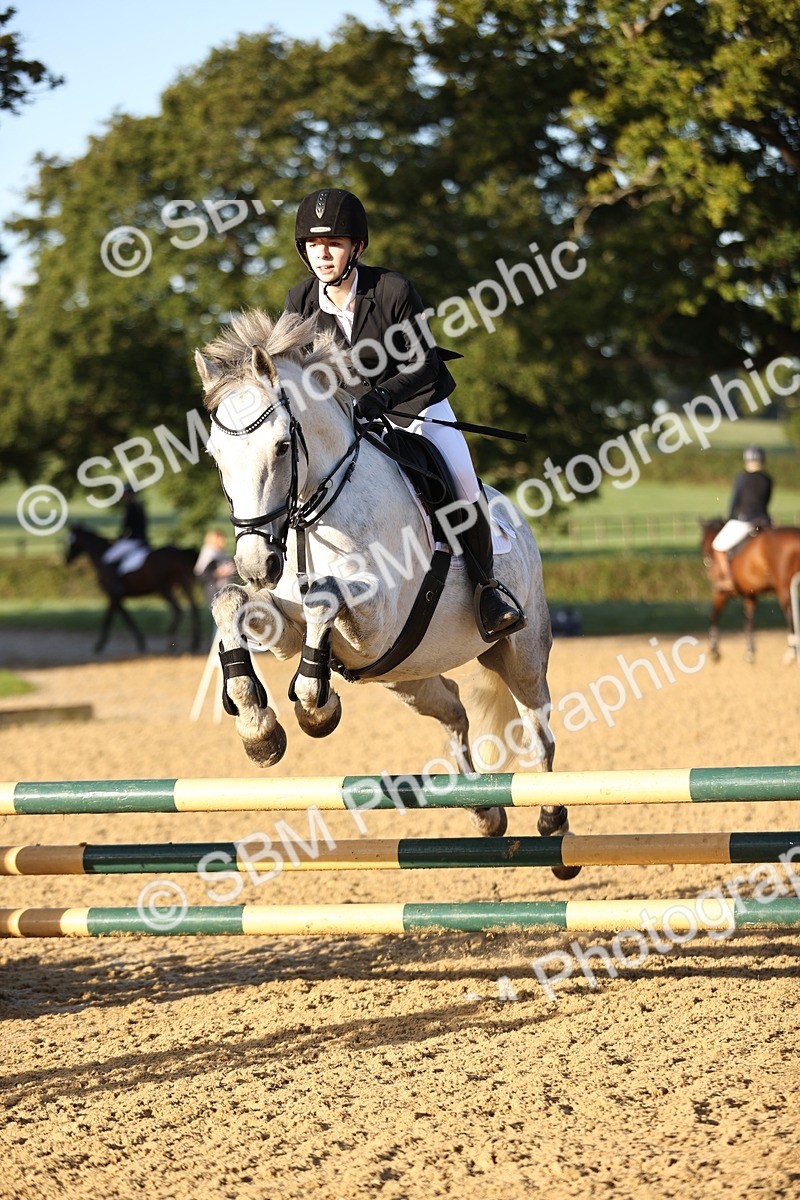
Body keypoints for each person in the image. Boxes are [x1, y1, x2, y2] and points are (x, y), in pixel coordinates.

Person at [284, 187, 525, 642]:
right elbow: (291, 373)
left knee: (461, 480)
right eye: (314, 246)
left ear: (357, 247)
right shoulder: (299, 302)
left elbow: (423, 364)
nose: (323, 255)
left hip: (417, 408)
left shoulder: (392, 289)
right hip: (349, 422)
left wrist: (380, 399)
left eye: (334, 243)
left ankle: (488, 590)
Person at [711, 446, 773, 592]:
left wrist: (730, 517)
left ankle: (727, 579)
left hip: (745, 521)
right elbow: (766, 501)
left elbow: (735, 502)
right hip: (765, 521)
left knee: (717, 546)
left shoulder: (742, 478)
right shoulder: (768, 479)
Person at [101, 485, 150, 590]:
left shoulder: (130, 507)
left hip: (132, 541)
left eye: (125, 494)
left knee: (108, 558)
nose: (123, 497)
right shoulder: (140, 506)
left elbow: (126, 527)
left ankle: (116, 584)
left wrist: (119, 538)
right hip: (142, 540)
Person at [194, 528, 237, 607]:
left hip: (226, 589)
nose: (224, 541)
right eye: (221, 539)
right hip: (215, 590)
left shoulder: (221, 553)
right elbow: (201, 575)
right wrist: (218, 573)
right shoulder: (209, 554)